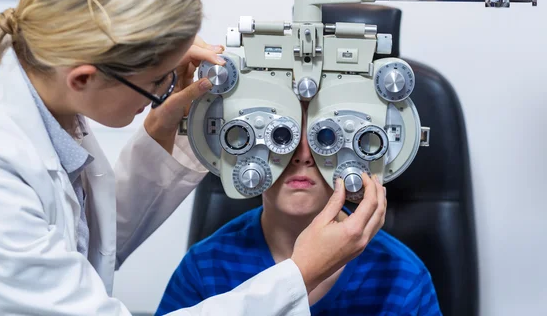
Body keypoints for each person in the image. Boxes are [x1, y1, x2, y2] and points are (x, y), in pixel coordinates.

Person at [0, 0, 387, 316]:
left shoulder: (46, 97)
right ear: (84, 77)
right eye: (158, 81)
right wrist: (300, 275)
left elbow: (88, 242)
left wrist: (166, 131)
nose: (163, 94)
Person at [156, 102, 442, 316]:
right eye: (281, 136)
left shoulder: (402, 276)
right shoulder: (205, 267)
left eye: (324, 138)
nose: (302, 155)